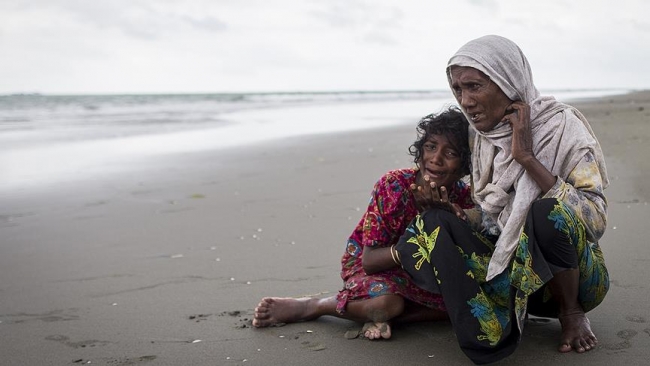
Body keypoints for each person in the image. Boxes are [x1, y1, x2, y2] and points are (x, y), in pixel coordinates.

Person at [395, 35, 609, 364]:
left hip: (576, 280)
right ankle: (488, 329)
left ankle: (572, 314)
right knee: (432, 225)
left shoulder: (562, 126)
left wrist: (526, 157)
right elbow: (496, 221)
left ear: (507, 81)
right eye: (457, 89)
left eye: (474, 86)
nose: (465, 101)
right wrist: (457, 215)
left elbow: (594, 218)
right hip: (516, 281)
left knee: (544, 211)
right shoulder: (482, 139)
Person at [252, 107, 476, 339]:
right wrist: (421, 232)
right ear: (420, 152)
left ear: (464, 166)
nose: (436, 159)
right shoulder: (394, 186)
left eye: (450, 154)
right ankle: (315, 306)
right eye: (430, 147)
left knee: (471, 305)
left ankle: (388, 320)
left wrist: (444, 216)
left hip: (427, 276)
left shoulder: (464, 199)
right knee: (386, 304)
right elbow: (370, 262)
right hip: (378, 268)